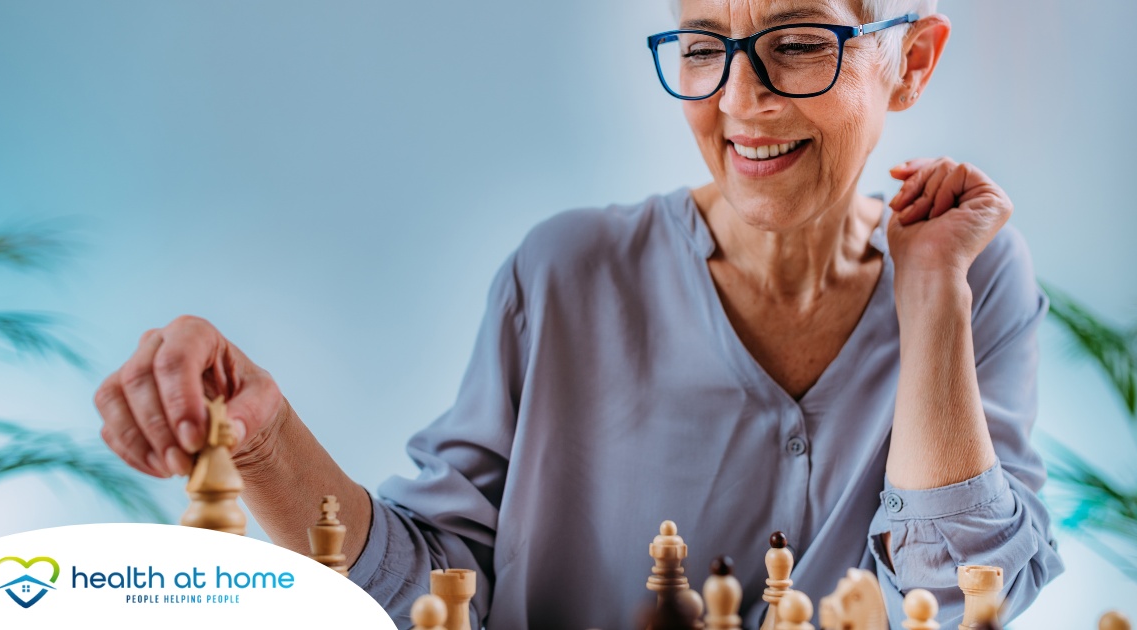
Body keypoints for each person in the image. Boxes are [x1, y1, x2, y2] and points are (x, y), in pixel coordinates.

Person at [93, 0, 1064, 628]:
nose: (741, 100)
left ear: (913, 60)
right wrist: (264, 440)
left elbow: (956, 603)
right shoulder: (561, 276)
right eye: (701, 47)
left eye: (799, 43)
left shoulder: (974, 270)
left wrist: (933, 294)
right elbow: (436, 595)